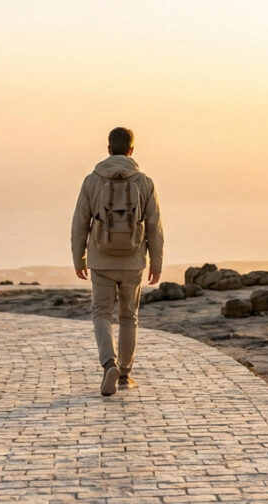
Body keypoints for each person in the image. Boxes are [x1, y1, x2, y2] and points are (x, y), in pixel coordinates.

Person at [71, 127, 164, 397]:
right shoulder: (144, 182)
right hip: (133, 260)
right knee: (128, 317)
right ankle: (124, 374)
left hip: (101, 259)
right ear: (132, 150)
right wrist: (156, 263)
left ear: (109, 149)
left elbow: (80, 222)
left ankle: (108, 363)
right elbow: (155, 226)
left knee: (101, 313)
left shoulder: (92, 180)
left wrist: (79, 258)